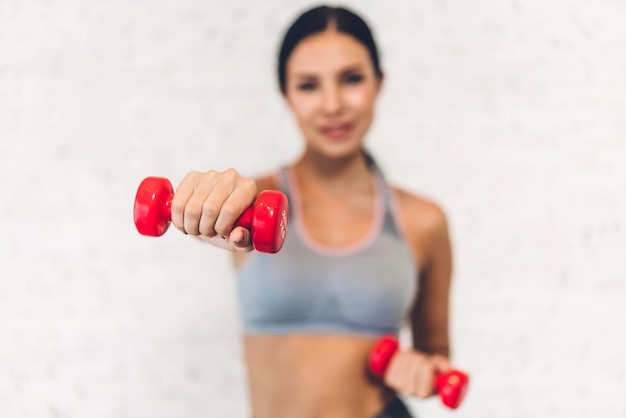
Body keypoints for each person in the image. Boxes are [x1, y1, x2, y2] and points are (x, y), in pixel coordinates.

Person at [170, 5, 454, 418]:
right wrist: (200, 209)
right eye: (308, 86)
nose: (333, 104)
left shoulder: (424, 221)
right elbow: (215, 225)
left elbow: (437, 356)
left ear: (379, 83)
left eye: (352, 79)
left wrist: (421, 370)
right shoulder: (251, 200)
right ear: (285, 94)